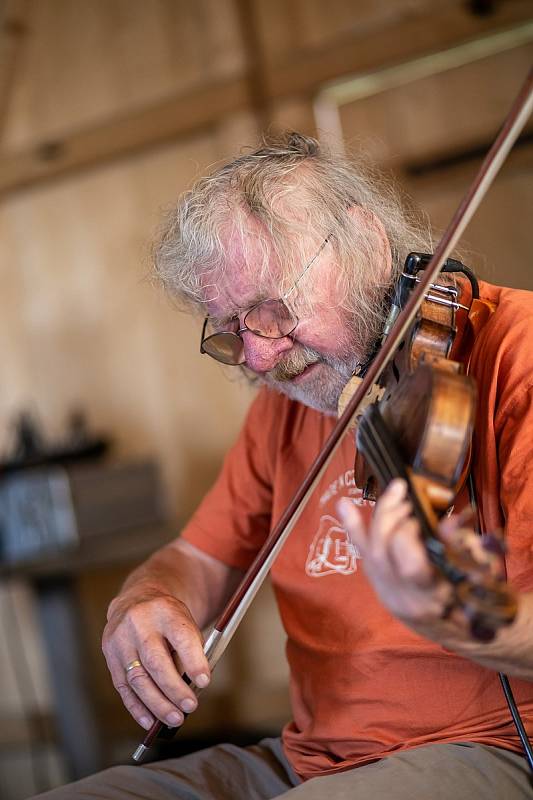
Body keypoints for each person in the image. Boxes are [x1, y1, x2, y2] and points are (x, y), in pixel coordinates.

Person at [34, 133, 533, 799]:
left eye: (273, 310)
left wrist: (458, 618)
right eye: (231, 329)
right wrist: (148, 599)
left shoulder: (515, 357)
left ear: (365, 246)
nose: (261, 358)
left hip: (490, 748)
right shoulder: (291, 398)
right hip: (304, 760)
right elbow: (199, 558)